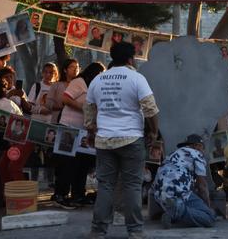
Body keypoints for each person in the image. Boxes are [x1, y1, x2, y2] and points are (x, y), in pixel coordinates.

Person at [84, 42, 159, 239]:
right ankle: (134, 231)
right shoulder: (136, 78)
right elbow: (150, 109)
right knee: (132, 186)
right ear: (130, 59)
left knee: (105, 186)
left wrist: (92, 135)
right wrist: (153, 132)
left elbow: (89, 114)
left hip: (104, 141)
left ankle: (98, 230)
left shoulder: (97, 80)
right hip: (132, 139)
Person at [55, 62, 105, 208]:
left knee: (82, 163)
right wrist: (84, 108)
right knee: (66, 163)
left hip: (84, 131)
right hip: (68, 127)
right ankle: (61, 194)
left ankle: (78, 194)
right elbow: (65, 99)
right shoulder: (79, 82)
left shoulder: (93, 87)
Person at [152, 134, 215, 228]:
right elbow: (202, 187)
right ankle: (178, 210)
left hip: (158, 195)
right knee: (209, 217)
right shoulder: (196, 154)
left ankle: (174, 212)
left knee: (189, 207)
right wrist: (208, 208)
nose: (203, 152)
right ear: (197, 146)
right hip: (178, 191)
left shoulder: (171, 154)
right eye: (203, 148)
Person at [46, 58, 79, 124]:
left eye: (77, 67)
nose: (75, 69)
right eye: (72, 67)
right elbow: (48, 103)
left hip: (74, 122)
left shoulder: (80, 86)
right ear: (65, 70)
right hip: (57, 120)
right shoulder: (56, 85)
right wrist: (62, 107)